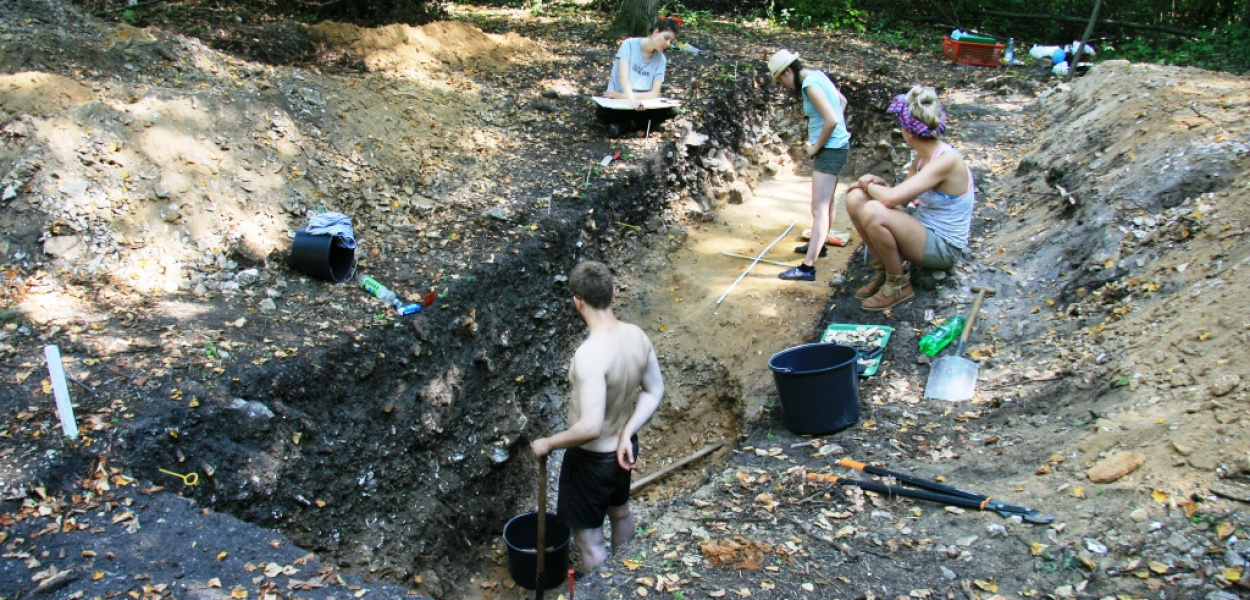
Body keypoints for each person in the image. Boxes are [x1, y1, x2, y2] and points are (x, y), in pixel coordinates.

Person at [531, 261, 665, 572]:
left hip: (591, 462)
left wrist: (548, 444)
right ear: (613, 294)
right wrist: (625, 433)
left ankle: (609, 592)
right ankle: (629, 580)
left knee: (589, 540)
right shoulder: (637, 336)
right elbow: (654, 391)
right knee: (620, 513)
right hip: (624, 449)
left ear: (577, 302)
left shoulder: (589, 356)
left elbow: (590, 427)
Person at [844, 86, 974, 311]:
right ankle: (884, 270)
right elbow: (900, 199)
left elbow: (888, 201)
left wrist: (869, 184)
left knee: (873, 210)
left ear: (909, 130)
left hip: (944, 245)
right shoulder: (923, 157)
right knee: (856, 198)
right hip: (923, 227)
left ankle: (898, 284)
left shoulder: (947, 160)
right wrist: (877, 185)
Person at [766, 50, 851, 282]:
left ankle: (807, 268)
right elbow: (841, 102)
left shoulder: (809, 85)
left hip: (830, 150)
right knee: (828, 202)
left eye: (781, 79)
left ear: (788, 71)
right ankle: (819, 245)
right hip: (836, 146)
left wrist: (816, 146)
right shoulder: (817, 75)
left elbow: (832, 119)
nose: (783, 85)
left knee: (819, 208)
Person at [598, 18, 682, 137]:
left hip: (642, 103)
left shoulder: (661, 59)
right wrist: (630, 100)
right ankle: (646, 124)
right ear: (656, 32)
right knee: (602, 111)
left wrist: (630, 100)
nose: (667, 44)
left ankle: (627, 125)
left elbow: (654, 94)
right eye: (666, 38)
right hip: (621, 103)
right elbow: (623, 78)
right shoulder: (629, 45)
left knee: (674, 109)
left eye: (671, 41)